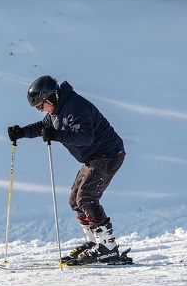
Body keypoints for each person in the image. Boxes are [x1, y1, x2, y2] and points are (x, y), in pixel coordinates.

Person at [7, 75, 131, 266]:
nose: (41, 111)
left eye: (41, 106)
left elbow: (85, 137)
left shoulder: (75, 107)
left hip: (108, 154)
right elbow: (44, 127)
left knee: (86, 197)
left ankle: (107, 247)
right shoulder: (58, 109)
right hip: (94, 158)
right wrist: (22, 132)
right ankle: (94, 242)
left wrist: (55, 135)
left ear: (50, 98)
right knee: (75, 200)